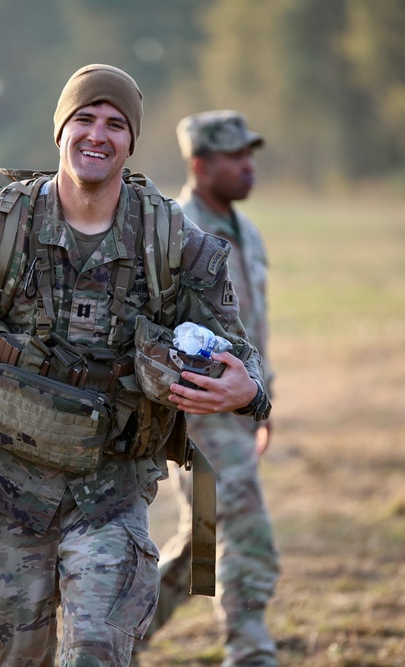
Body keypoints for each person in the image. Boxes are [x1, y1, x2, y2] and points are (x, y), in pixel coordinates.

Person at [0, 66, 271, 666]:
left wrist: (248, 392)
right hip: (5, 491)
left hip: (112, 495)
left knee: (95, 654)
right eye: (84, 119)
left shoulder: (174, 241)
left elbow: (237, 351)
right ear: (60, 131)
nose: (99, 135)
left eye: (116, 124)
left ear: (132, 142)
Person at [140, 110, 280, 666]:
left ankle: (113, 636)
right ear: (200, 164)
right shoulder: (177, 234)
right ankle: (252, 651)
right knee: (244, 527)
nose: (249, 167)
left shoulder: (247, 232)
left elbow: (256, 327)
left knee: (202, 539)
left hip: (240, 411)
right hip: (197, 414)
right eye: (235, 157)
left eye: (251, 155)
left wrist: (262, 404)